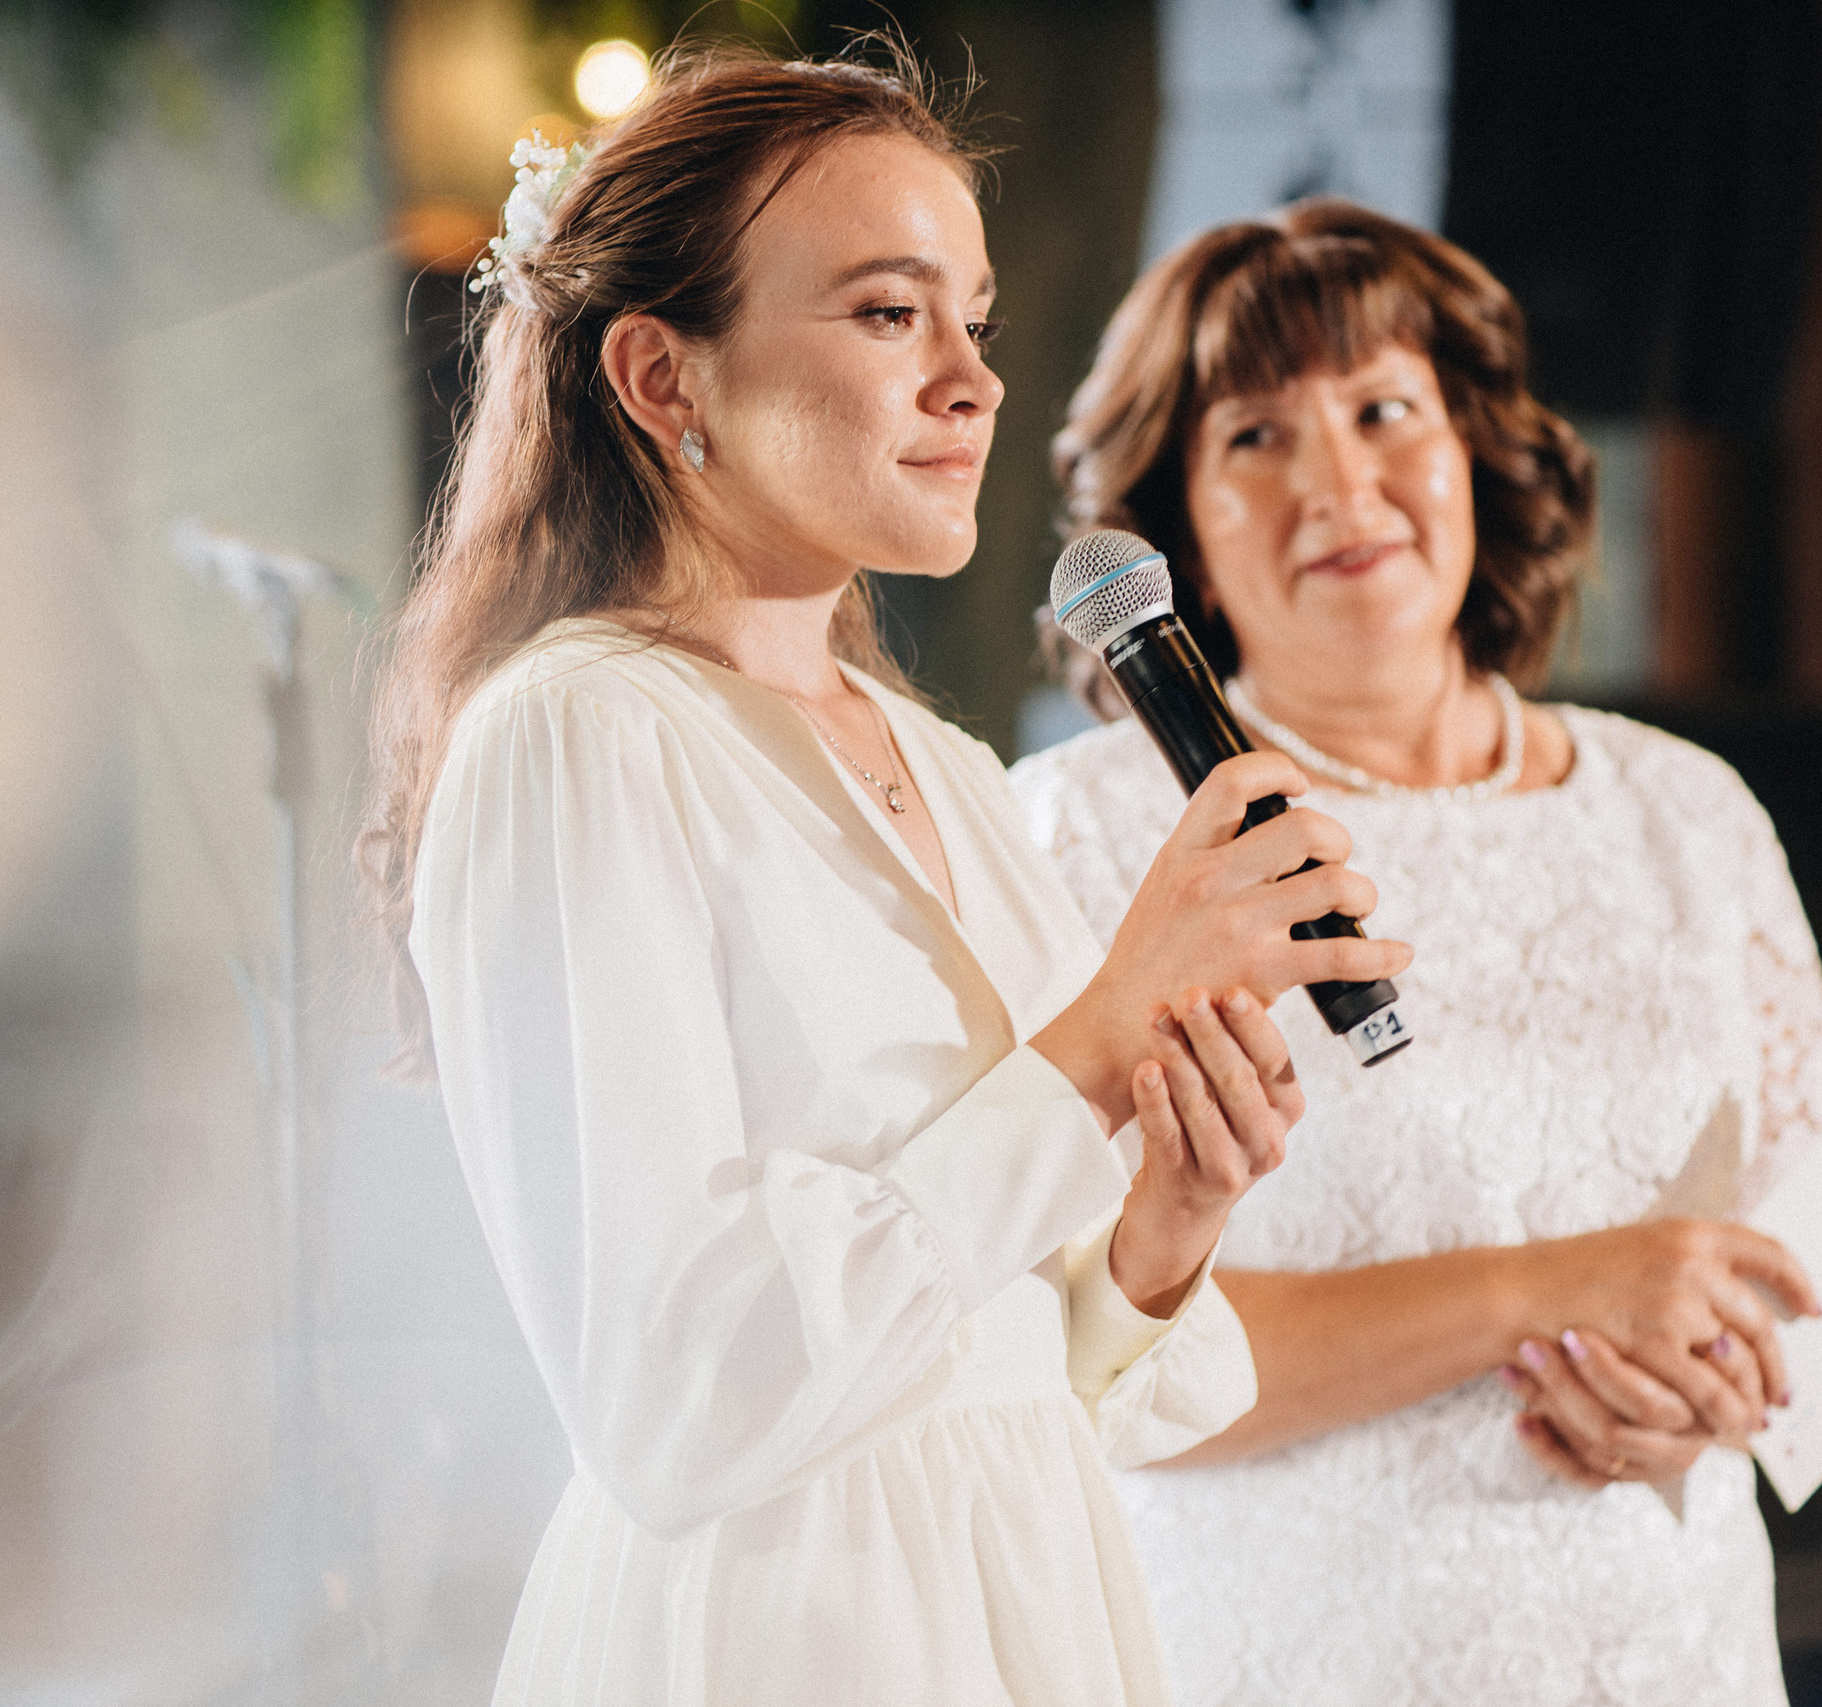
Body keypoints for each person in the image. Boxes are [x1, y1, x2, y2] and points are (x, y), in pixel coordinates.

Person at [360, 49, 1412, 1707]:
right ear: (662, 379)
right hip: (780, 1633)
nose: (971, 381)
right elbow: (674, 1397)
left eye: (975, 322)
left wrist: (1173, 1210)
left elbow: (1039, 1370)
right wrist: (1096, 1041)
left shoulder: (956, 778)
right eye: (885, 313)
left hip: (1022, 1605)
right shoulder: (577, 739)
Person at [1011, 198, 1822, 1706]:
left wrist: (1719, 1398)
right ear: (1178, 523)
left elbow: (1818, 1261)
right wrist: (1558, 1287)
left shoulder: (1689, 811)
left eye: (1387, 410)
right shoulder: (1079, 833)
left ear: (1476, 455)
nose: (1341, 480)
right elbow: (1085, 1357)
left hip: (1675, 1648)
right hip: (1288, 1652)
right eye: (1256, 437)